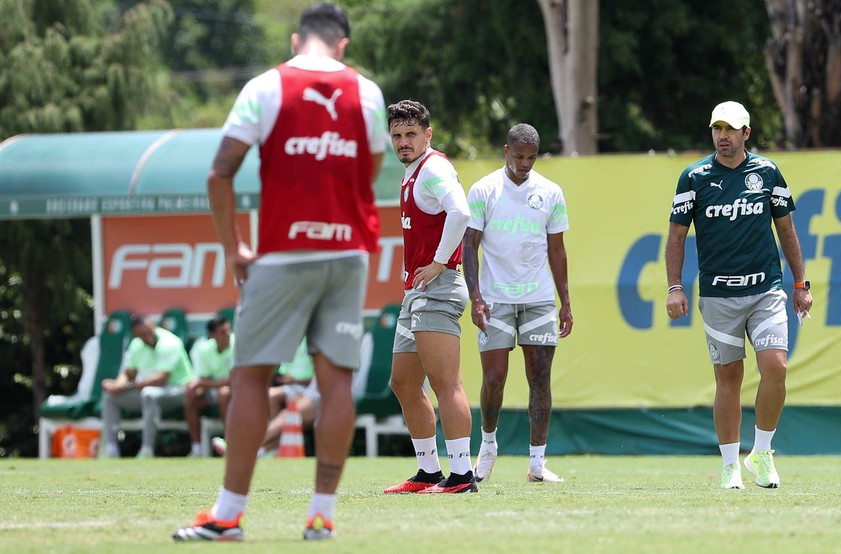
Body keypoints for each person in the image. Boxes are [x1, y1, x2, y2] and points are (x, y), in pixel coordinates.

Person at [173, 2, 388, 542]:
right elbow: (371, 169)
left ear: (296, 40)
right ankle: (321, 516)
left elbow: (219, 173)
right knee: (336, 382)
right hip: (349, 252)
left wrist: (233, 248)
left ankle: (228, 516)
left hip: (283, 251)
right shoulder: (367, 93)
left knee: (250, 377)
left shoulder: (265, 86)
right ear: (343, 45)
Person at [664, 101, 813, 490]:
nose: (723, 136)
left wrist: (800, 283)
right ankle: (730, 465)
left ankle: (761, 453)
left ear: (747, 133)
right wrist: (675, 286)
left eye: (731, 129)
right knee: (728, 380)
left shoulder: (767, 172)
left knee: (776, 367)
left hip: (766, 290)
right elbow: (677, 236)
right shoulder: (693, 177)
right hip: (718, 296)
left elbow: (787, 230)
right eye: (717, 128)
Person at [462, 123, 573, 483]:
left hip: (538, 300)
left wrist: (565, 302)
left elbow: (557, 251)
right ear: (506, 151)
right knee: (494, 378)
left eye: (532, 158)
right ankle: (488, 446)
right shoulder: (484, 190)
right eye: (519, 156)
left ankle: (537, 463)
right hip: (494, 300)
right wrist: (475, 296)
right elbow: (469, 245)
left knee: (539, 379)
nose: (525, 164)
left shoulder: (551, 192)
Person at [382, 99, 476, 494]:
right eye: (397, 135)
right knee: (403, 382)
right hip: (417, 293)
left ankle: (462, 475)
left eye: (411, 134)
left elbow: (461, 212)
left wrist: (438, 263)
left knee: (446, 383)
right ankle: (428, 472)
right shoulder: (412, 171)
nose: (403, 141)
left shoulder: (433, 167)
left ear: (428, 134)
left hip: (437, 289)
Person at [101, 315, 193, 458]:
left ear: (153, 326)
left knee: (149, 394)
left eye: (148, 332)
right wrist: (116, 385)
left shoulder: (171, 342)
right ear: (136, 336)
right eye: (142, 335)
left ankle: (147, 450)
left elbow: (161, 380)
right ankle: (111, 449)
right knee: (110, 396)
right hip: (144, 392)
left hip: (178, 391)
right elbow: (128, 373)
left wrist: (127, 386)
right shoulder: (136, 345)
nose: (147, 337)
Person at [183, 316, 234, 457]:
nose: (227, 335)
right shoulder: (204, 349)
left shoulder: (238, 346)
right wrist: (197, 389)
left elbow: (235, 381)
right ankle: (197, 449)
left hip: (238, 392)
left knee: (224, 393)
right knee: (190, 398)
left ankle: (230, 443)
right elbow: (204, 379)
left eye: (228, 330)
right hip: (213, 392)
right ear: (212, 335)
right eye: (222, 332)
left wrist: (202, 383)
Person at [268, 338, 314, 419]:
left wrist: (296, 381)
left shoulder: (314, 345)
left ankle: (277, 426)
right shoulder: (288, 344)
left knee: (293, 401)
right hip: (288, 386)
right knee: (271, 394)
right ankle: (274, 423)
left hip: (309, 388)